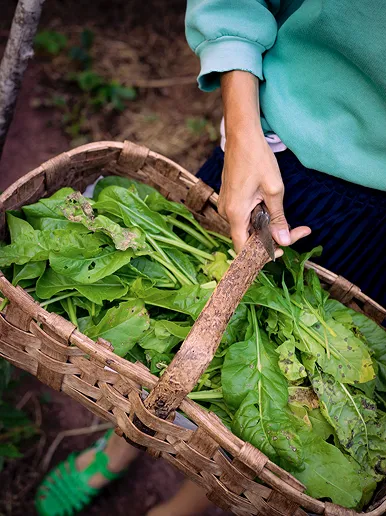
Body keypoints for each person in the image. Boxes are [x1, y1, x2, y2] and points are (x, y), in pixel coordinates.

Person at [35, 1, 386, 515]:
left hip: (377, 226)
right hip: (278, 149)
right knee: (185, 335)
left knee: (292, 398)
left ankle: (184, 505)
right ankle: (120, 446)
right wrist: (242, 128)